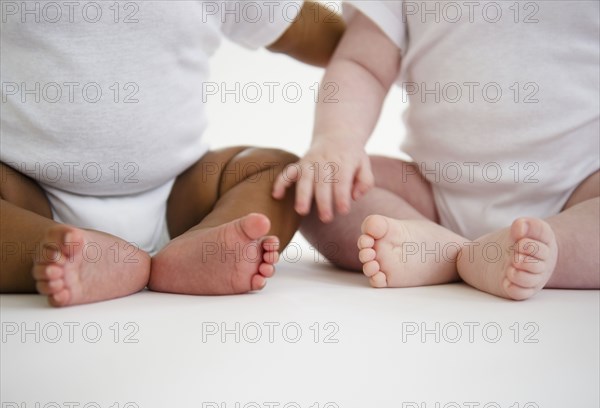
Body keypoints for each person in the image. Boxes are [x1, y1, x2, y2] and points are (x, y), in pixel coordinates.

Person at [0, 0, 344, 306]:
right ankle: (55, 251)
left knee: (277, 170)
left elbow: (305, 28)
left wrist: (383, 42)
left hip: (179, 196)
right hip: (28, 194)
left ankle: (203, 249)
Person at [273, 0, 599, 300]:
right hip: (431, 197)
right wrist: (336, 139)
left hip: (578, 189)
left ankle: (548, 251)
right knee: (321, 191)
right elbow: (362, 64)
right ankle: (443, 251)